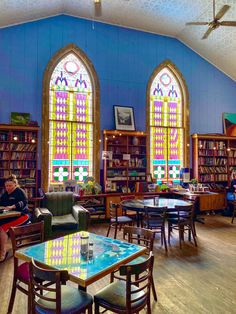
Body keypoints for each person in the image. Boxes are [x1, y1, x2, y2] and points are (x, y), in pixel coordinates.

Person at [0, 174, 30, 262]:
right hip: (10, 216)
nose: (8, 188)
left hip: (23, 216)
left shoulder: (19, 191)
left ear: (15, 185)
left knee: (2, 228)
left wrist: (13, 206)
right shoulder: (5, 193)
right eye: (6, 186)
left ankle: (2, 253)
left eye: (10, 186)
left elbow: (24, 202)